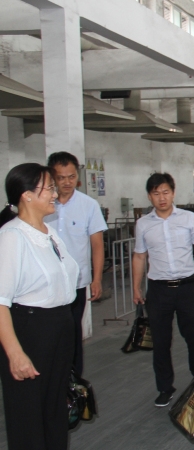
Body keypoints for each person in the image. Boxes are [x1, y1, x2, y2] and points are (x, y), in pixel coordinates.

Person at [0, 163, 79, 450]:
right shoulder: (12, 237)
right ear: (27, 196)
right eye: (49, 188)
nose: (55, 193)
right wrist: (15, 354)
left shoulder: (50, 233)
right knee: (29, 423)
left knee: (54, 418)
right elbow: (0, 301)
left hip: (58, 329)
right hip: (29, 333)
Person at [132, 173, 194, 407]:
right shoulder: (143, 224)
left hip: (187, 287)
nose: (161, 197)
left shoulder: (188, 218)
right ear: (149, 196)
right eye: (156, 193)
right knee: (161, 341)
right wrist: (136, 287)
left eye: (165, 192)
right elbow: (139, 256)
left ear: (173, 193)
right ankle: (165, 387)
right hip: (159, 290)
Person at [45, 151, 107, 376]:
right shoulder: (42, 205)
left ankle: (74, 383)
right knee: (49, 335)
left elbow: (97, 245)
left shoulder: (88, 205)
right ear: (52, 177)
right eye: (61, 178)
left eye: (71, 177)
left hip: (76, 283)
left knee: (72, 333)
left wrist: (96, 279)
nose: (67, 182)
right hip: (46, 284)